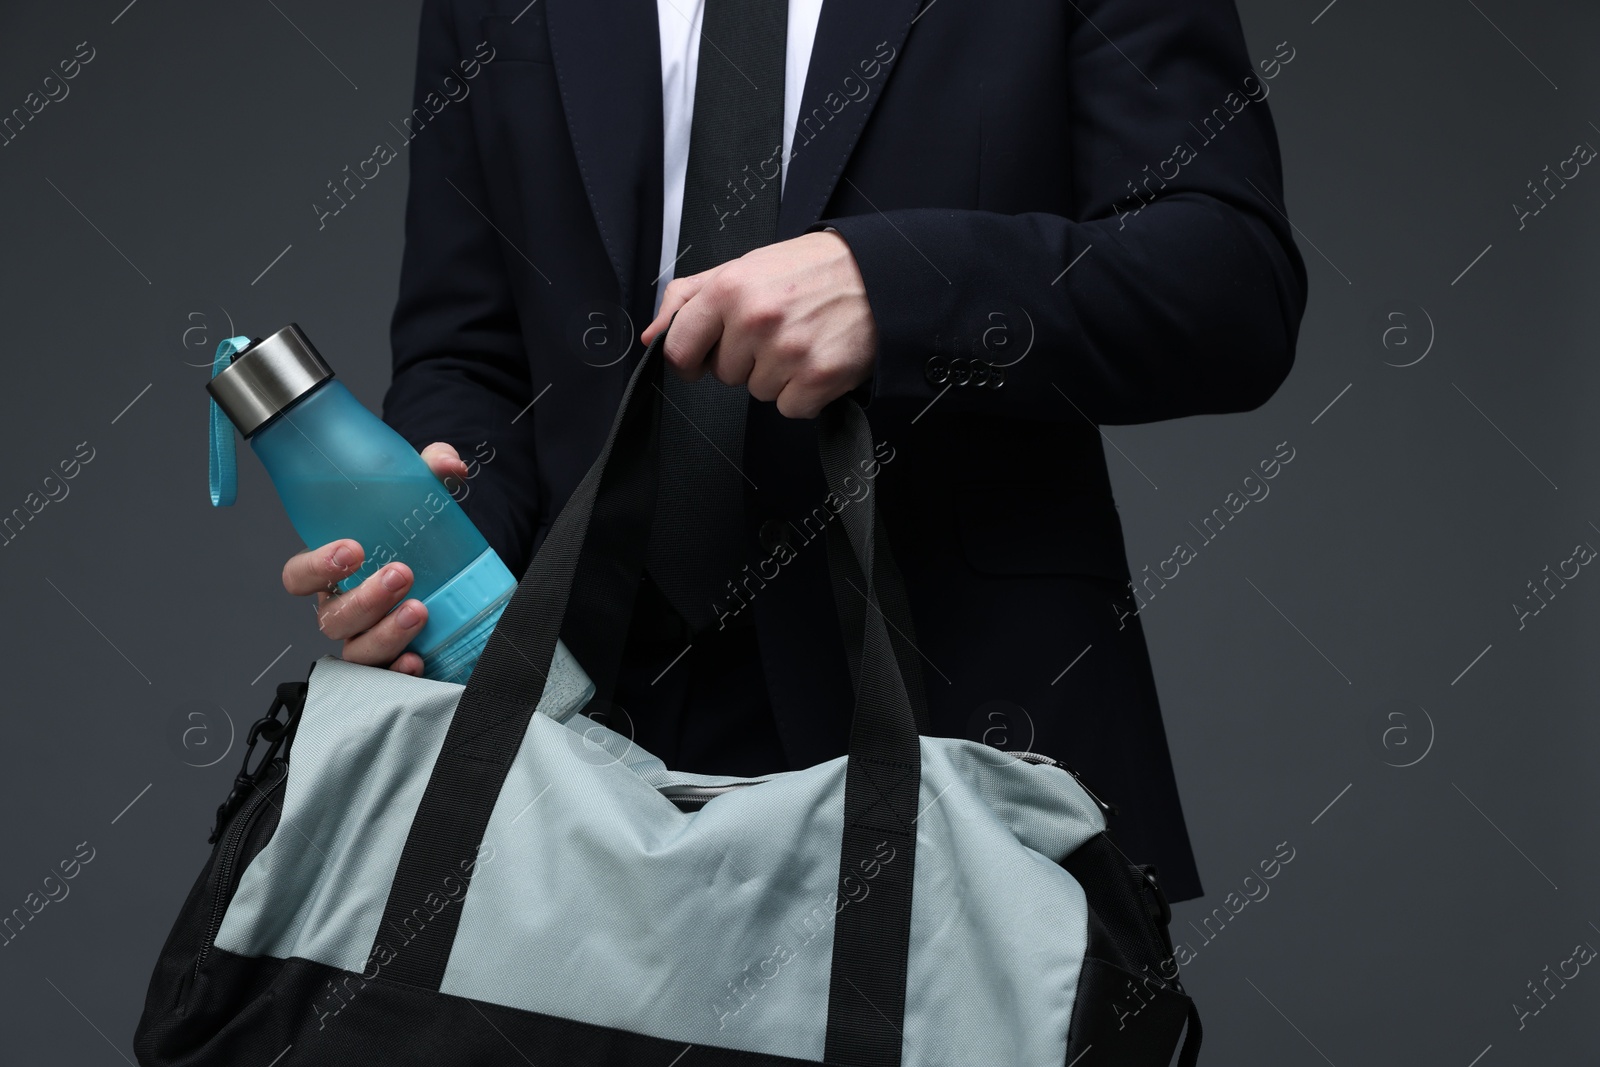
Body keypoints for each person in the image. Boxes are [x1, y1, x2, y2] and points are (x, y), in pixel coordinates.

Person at [278, 0, 1308, 904]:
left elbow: (1229, 282)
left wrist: (894, 288)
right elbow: (470, 354)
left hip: (965, 745)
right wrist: (434, 557)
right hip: (568, 775)